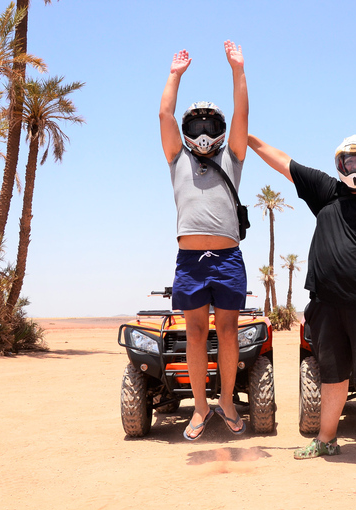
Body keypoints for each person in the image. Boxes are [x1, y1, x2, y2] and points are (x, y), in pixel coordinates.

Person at [247, 133, 356, 470]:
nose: (355, 167)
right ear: (340, 165)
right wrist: (247, 138)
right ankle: (326, 440)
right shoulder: (326, 193)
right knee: (332, 375)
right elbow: (284, 162)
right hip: (327, 307)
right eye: (349, 162)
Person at [159, 41, 249, 440]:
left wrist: (238, 70)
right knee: (194, 333)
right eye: (195, 125)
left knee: (228, 332)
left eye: (211, 125)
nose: (203, 132)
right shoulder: (177, 158)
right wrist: (175, 75)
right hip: (190, 262)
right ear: (186, 132)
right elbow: (164, 112)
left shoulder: (233, 157)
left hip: (227, 258)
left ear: (221, 131)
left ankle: (226, 402)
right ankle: (199, 408)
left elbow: (244, 111)